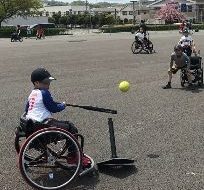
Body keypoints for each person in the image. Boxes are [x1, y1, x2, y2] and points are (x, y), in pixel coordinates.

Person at [24, 68, 91, 167]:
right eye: (46, 82)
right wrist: (63, 105)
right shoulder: (44, 93)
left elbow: (27, 109)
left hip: (31, 125)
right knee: (72, 128)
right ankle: (73, 156)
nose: (48, 84)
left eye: (49, 82)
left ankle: (73, 155)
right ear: (36, 83)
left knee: (62, 124)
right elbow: (53, 108)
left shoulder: (32, 94)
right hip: (42, 127)